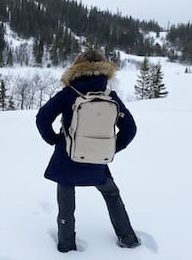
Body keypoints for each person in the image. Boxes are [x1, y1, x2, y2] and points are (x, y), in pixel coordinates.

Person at [36, 50, 140, 252]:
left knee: (66, 203)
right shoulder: (111, 96)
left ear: (76, 68)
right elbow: (130, 129)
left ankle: (66, 246)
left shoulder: (67, 93)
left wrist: (54, 140)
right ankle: (128, 239)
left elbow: (42, 118)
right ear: (103, 70)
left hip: (67, 159)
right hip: (98, 162)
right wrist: (109, 148)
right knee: (112, 195)